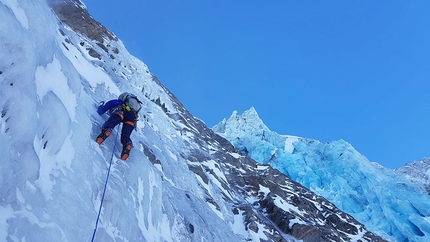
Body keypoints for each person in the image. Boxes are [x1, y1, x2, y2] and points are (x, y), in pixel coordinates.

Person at [96, 92, 142, 160]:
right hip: (132, 119)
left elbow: (104, 108)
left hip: (120, 113)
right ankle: (127, 144)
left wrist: (99, 108)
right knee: (125, 135)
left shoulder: (118, 102)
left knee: (111, 123)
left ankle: (107, 131)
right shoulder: (133, 111)